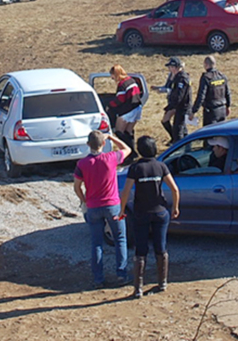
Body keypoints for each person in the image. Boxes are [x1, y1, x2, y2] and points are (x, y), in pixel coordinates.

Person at [119, 136, 180, 299]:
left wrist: (122, 209)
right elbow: (174, 189)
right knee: (161, 247)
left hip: (141, 213)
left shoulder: (136, 168)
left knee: (141, 250)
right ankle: (162, 282)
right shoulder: (161, 166)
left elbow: (126, 191)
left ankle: (138, 288)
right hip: (160, 212)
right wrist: (175, 207)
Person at [73, 130, 132, 288]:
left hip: (93, 206)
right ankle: (122, 274)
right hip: (113, 205)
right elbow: (127, 149)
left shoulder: (82, 164)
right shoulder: (111, 158)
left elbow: (77, 186)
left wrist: (84, 200)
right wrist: (112, 136)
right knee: (120, 238)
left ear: (88, 145)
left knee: (96, 243)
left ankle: (98, 278)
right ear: (103, 144)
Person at [106, 65, 143, 161]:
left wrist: (110, 105)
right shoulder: (131, 80)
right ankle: (133, 152)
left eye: (112, 75)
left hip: (127, 110)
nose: (112, 78)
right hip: (137, 108)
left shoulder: (122, 84)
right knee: (129, 131)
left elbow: (120, 99)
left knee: (119, 131)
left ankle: (128, 153)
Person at [160, 57, 192, 143]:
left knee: (178, 130)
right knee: (180, 129)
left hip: (182, 107)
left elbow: (179, 96)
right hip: (179, 107)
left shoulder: (181, 78)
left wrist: (170, 106)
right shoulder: (176, 77)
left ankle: (180, 147)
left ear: (175, 67)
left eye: (170, 67)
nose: (169, 69)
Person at [192, 56, 230, 126]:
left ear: (206, 64)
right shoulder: (222, 76)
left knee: (209, 135)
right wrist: (228, 106)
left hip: (211, 112)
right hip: (222, 110)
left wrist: (194, 110)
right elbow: (227, 93)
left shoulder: (206, 77)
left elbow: (201, 95)